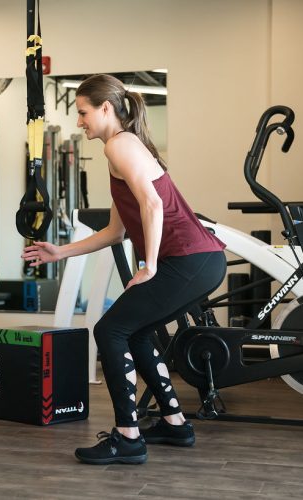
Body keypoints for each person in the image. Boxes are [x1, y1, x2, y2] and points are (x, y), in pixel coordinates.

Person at [22, 74, 227, 465]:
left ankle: (128, 437)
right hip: (198, 261)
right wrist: (59, 252)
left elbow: (151, 205)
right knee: (134, 332)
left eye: (82, 112)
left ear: (105, 109)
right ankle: (175, 423)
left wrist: (149, 265)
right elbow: (116, 232)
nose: (79, 121)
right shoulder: (123, 149)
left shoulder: (120, 145)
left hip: (189, 259)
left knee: (109, 329)